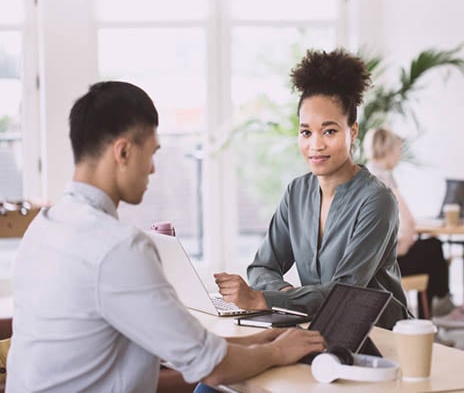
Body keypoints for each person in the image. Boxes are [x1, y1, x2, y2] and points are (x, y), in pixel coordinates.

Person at [6, 81, 326, 392]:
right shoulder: (118, 247)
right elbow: (211, 366)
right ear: (123, 152)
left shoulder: (45, 226)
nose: (153, 169)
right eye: (151, 153)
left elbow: (181, 343)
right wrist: (278, 352)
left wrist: (259, 340)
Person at [214, 49, 410, 330]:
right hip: (319, 329)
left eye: (329, 131)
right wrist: (283, 297)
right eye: (306, 132)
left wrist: (264, 300)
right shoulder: (297, 193)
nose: (315, 145)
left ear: (352, 132)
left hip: (381, 335)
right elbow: (262, 267)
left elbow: (346, 291)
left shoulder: (377, 200)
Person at [365, 128, 456, 318]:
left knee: (430, 250)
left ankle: (434, 313)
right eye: (398, 150)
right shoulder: (382, 180)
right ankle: (438, 308)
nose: (399, 155)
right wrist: (402, 243)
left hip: (373, 263)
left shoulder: (367, 174)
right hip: (386, 266)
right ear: (388, 150)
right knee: (433, 247)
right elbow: (409, 223)